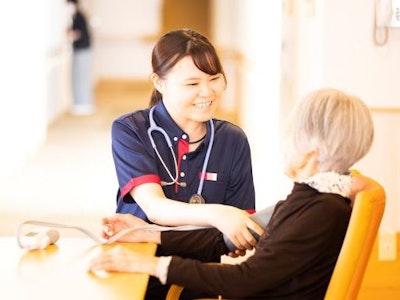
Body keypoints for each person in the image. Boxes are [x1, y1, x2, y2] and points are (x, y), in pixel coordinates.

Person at [89, 88, 383, 299]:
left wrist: (148, 264)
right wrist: (149, 234)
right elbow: (230, 236)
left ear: (310, 152)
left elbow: (244, 281)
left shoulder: (322, 210)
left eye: (292, 134)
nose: (285, 143)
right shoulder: (313, 198)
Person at [109, 28, 263, 298]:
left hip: (197, 278)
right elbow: (155, 207)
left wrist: (228, 227)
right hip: (136, 273)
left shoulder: (232, 140)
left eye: (214, 79)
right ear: (159, 82)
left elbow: (235, 238)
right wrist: (220, 215)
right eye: (192, 84)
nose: (207, 92)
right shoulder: (131, 130)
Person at [66, 0, 95, 115]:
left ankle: (84, 104)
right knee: (79, 78)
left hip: (83, 51)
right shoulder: (77, 16)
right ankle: (80, 104)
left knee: (81, 78)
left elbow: (79, 34)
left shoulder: (78, 16)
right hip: (81, 51)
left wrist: (68, 33)